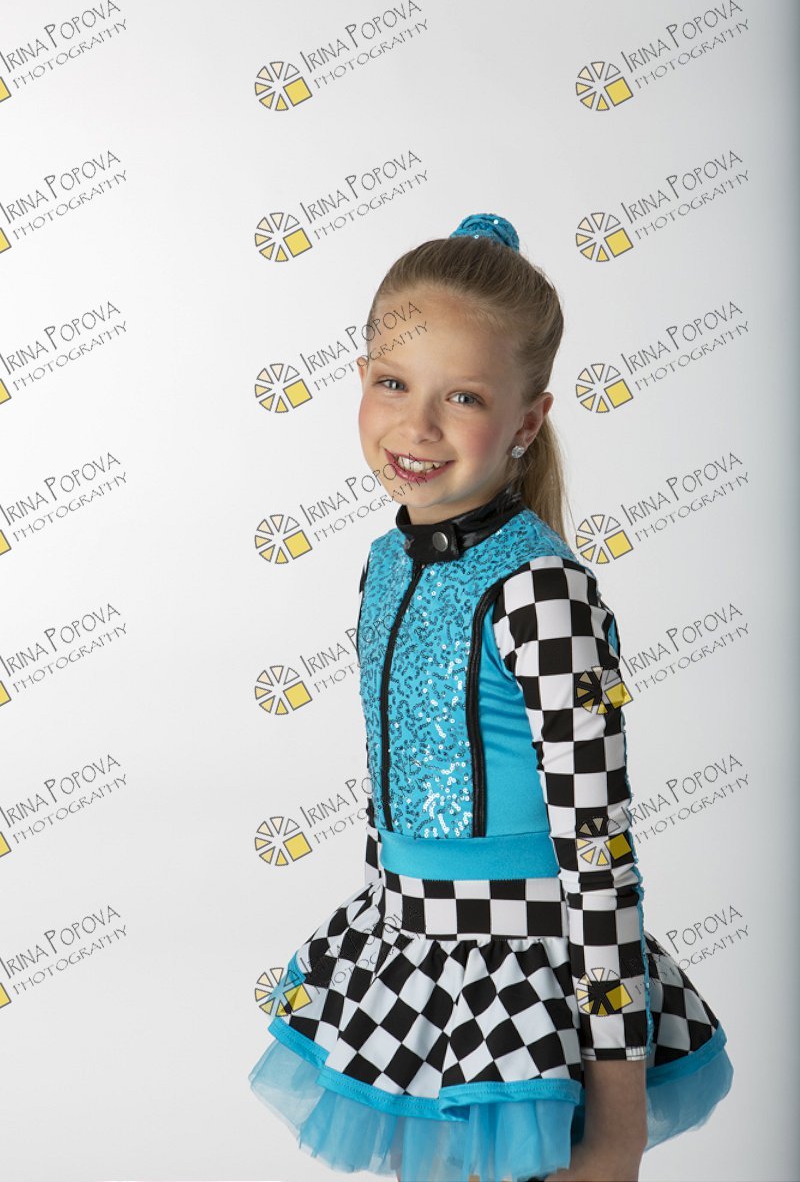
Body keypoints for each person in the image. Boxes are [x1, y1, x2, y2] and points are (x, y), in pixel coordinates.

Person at [247, 213, 734, 1182]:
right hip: (405, 958)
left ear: (526, 421)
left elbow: (598, 852)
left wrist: (617, 1118)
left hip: (529, 985)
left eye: (462, 396)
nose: (417, 426)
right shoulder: (386, 563)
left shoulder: (544, 594)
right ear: (359, 378)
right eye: (394, 383)